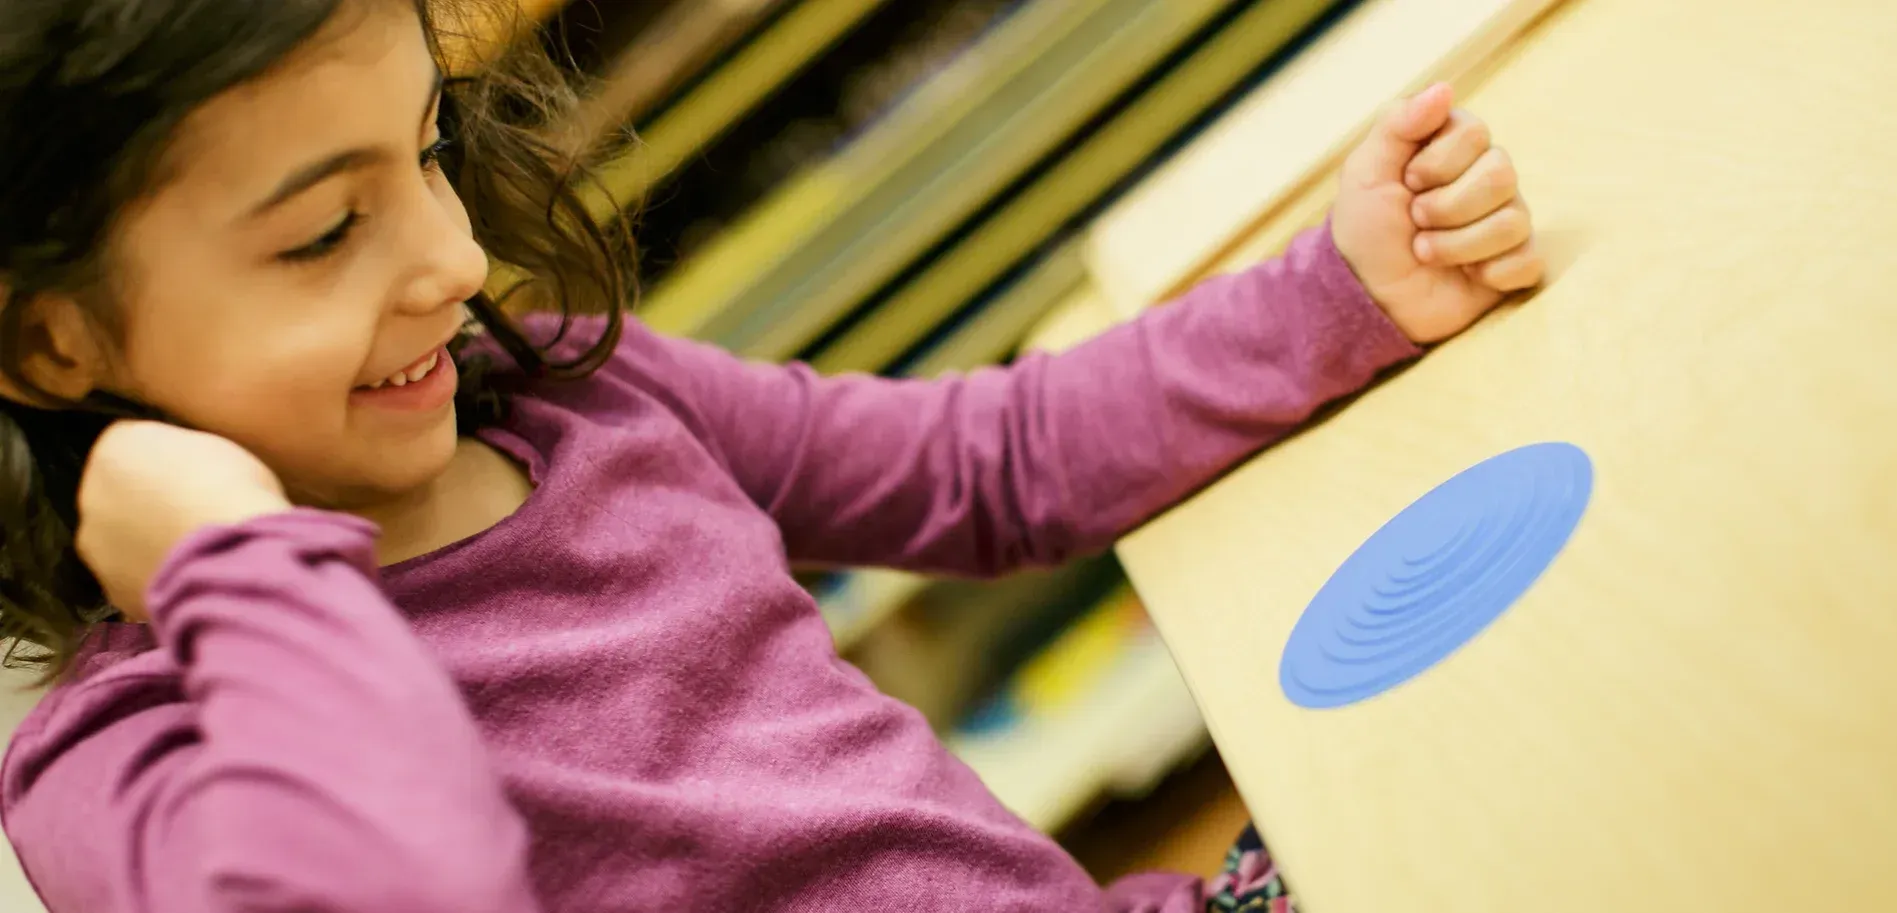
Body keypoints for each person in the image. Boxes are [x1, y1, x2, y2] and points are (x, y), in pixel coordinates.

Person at [0, 1, 1543, 911]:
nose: (457, 258)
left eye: (429, 155)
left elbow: (988, 466)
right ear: (49, 343)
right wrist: (238, 572)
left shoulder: (558, 397)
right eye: (327, 232)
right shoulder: (115, 755)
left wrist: (1338, 295)